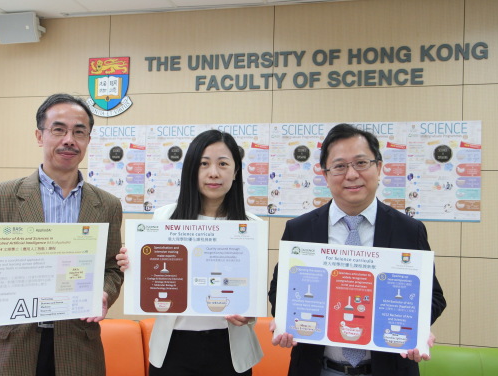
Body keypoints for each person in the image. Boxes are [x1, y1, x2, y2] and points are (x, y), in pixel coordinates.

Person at [268, 124, 446, 376]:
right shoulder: (299, 229)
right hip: (317, 368)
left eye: (361, 163)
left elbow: (434, 297)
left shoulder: (409, 229)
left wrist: (414, 327)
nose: (351, 174)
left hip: (388, 369)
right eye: (340, 166)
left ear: (379, 167)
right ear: (324, 173)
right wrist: (286, 319)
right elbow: (279, 292)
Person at [0, 93, 124, 376]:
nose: (69, 139)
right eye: (59, 130)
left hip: (78, 342)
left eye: (79, 132)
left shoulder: (107, 205)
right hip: (14, 343)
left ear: (88, 140)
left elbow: (112, 268)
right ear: (39, 135)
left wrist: (104, 293)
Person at [117, 130, 263, 376]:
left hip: (230, 349)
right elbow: (154, 280)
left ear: (236, 172)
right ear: (191, 170)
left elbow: (254, 293)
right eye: (204, 164)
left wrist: (250, 314)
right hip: (173, 347)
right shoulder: (163, 218)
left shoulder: (252, 226)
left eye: (223, 164)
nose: (213, 173)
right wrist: (133, 266)